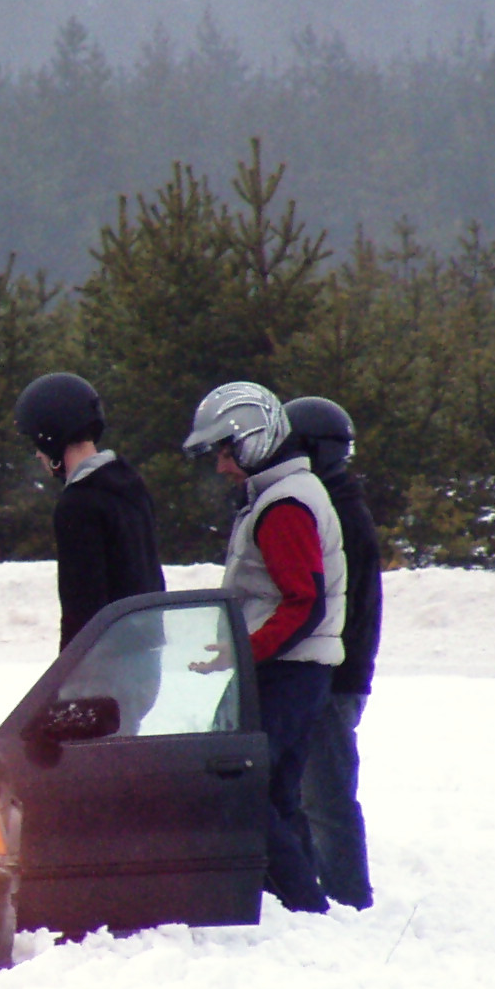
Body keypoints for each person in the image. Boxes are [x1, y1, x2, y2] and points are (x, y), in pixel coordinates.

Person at [183, 381, 344, 914]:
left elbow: (302, 603)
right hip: (294, 668)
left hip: (288, 672)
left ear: (250, 440)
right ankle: (292, 905)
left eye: (225, 452)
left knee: (246, 792)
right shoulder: (284, 495)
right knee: (276, 794)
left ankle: (301, 904)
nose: (222, 467)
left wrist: (243, 653)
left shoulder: (284, 506)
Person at [285, 396, 382, 910]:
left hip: (332, 678)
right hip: (336, 675)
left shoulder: (336, 514)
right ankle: (316, 887)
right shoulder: (337, 505)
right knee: (307, 794)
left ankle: (347, 896)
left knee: (325, 797)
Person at [12, 372, 165, 651]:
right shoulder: (130, 484)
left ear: (51, 437)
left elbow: (82, 608)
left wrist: (68, 679)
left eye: (37, 443)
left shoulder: (79, 505)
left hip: (108, 663)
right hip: (147, 653)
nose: (37, 454)